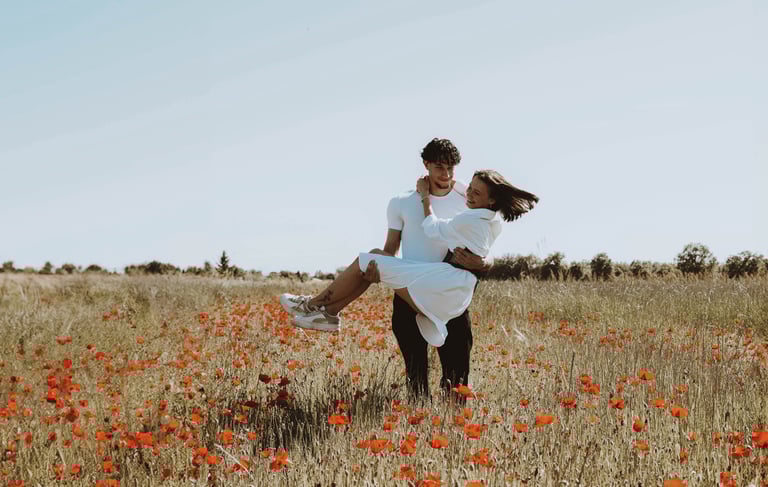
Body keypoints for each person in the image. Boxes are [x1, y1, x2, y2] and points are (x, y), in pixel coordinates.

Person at [280, 140, 538, 398]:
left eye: (451, 168)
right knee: (416, 379)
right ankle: (327, 311)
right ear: (426, 165)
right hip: (412, 291)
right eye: (439, 167)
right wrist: (378, 273)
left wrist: (482, 263)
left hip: (446, 290)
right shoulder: (401, 201)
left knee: (457, 379)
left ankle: (316, 307)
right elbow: (391, 250)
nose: (446, 174)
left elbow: (485, 246)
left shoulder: (469, 199)